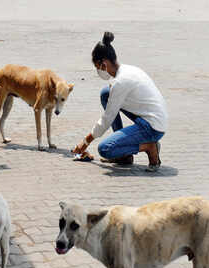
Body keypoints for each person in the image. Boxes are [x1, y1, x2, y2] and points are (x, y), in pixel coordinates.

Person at [72, 31, 168, 172]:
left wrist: (86, 142)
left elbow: (107, 119)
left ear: (104, 64)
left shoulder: (121, 83)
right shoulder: (129, 69)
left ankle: (149, 146)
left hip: (153, 127)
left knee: (105, 149)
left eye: (98, 67)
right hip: (155, 117)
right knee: (106, 93)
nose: (98, 71)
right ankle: (125, 155)